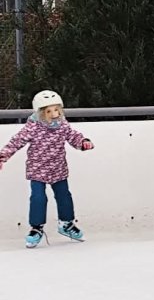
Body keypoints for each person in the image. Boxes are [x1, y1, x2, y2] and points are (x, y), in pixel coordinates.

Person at [0, 90, 94, 248]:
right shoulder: (33, 127)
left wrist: (83, 142)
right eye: (49, 111)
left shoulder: (62, 124)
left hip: (58, 168)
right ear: (41, 113)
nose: (54, 114)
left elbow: (73, 136)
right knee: (38, 198)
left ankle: (66, 224)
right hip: (38, 169)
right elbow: (16, 141)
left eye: (56, 110)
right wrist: (3, 156)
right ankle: (36, 228)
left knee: (64, 196)